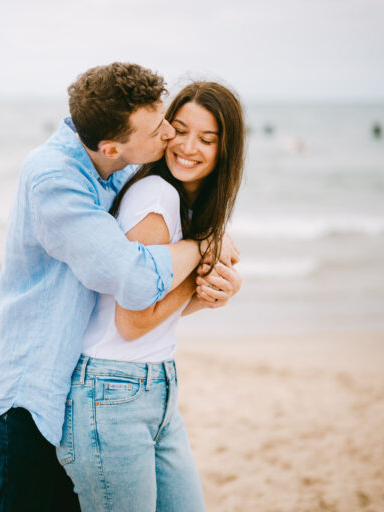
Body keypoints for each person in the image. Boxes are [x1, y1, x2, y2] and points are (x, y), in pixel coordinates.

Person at [0, 64, 241, 512]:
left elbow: (141, 301)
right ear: (112, 146)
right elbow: (137, 285)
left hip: (86, 386)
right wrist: (202, 246)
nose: (169, 136)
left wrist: (204, 292)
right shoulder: (55, 179)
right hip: (31, 394)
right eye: (164, 127)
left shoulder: (122, 166)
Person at [55, 81, 245, 512]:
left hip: (154, 390)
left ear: (225, 149)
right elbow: (133, 321)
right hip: (111, 392)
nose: (188, 147)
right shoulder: (155, 196)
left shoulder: (186, 204)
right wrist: (201, 260)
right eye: (179, 129)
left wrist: (214, 290)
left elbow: (162, 308)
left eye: (207, 139)